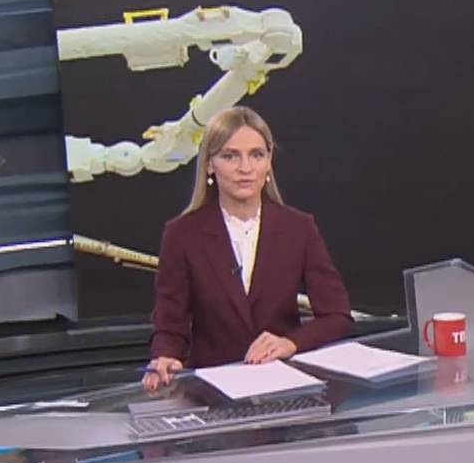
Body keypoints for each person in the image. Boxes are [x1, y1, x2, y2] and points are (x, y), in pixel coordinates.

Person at [143, 106, 353, 392]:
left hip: (286, 386)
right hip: (213, 392)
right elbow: (170, 324)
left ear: (268, 162)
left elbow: (337, 316)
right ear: (209, 164)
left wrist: (290, 343)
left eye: (256, 155)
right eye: (230, 156)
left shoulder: (298, 228)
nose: (245, 168)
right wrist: (166, 357)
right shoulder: (182, 234)